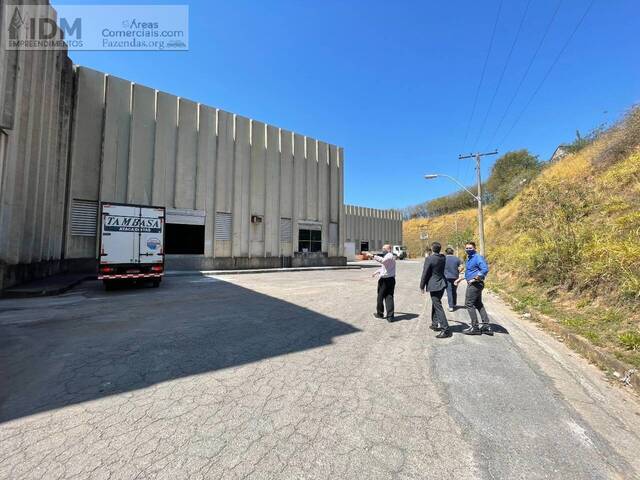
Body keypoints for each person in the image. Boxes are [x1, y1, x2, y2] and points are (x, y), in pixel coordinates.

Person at [454, 241, 492, 335]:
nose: (468, 250)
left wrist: (475, 279)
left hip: (475, 284)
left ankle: (475, 327)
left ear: (475, 248)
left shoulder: (477, 257)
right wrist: (460, 279)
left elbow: (485, 269)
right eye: (467, 248)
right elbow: (470, 271)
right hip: (475, 284)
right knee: (478, 304)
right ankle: (486, 326)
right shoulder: (470, 258)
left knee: (469, 304)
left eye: (470, 248)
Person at [420, 242, 451, 338]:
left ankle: (445, 329)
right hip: (442, 283)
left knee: (437, 305)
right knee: (436, 303)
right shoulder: (443, 257)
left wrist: (422, 285)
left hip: (434, 285)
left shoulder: (429, 259)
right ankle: (434, 323)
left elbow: (425, 273)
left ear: (432, 249)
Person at [368, 244, 396, 322]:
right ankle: (390, 317)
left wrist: (373, 256)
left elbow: (382, 261)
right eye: (382, 248)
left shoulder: (389, 255)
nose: (383, 250)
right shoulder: (389, 256)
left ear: (389, 249)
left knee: (380, 297)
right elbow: (384, 268)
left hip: (385, 280)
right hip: (390, 279)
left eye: (384, 248)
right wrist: (376, 272)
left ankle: (380, 314)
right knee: (389, 297)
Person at [444, 247, 462, 312]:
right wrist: (458, 272)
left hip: (447, 277)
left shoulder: (444, 259)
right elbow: (461, 267)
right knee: (454, 290)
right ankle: (454, 304)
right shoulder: (457, 259)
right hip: (455, 277)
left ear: (446, 252)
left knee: (449, 291)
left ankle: (451, 306)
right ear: (452, 252)